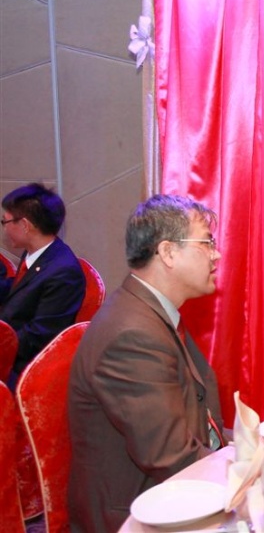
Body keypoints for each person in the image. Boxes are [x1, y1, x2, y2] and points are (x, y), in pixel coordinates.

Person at [68, 195, 225, 532]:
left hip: (168, 491)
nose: (217, 254)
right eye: (207, 243)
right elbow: (170, 457)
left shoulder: (149, 312)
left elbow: (196, 417)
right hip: (137, 513)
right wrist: (246, 472)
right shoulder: (133, 333)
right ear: (168, 252)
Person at [0, 183, 85, 387]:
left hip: (25, 369)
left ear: (25, 225)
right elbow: (20, 290)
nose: (4, 227)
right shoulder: (37, 252)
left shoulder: (64, 273)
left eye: (5, 221)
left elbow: (39, 336)